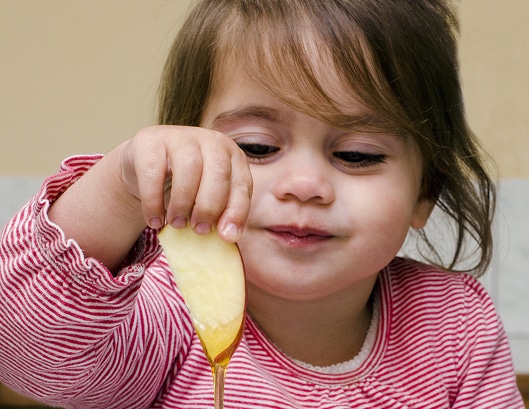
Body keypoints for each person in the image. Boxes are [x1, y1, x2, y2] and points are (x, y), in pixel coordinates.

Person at [0, 0, 524, 407]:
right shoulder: (167, 309)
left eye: (357, 155)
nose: (304, 184)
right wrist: (120, 183)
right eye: (255, 147)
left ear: (424, 193)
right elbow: (24, 350)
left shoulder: (454, 325)